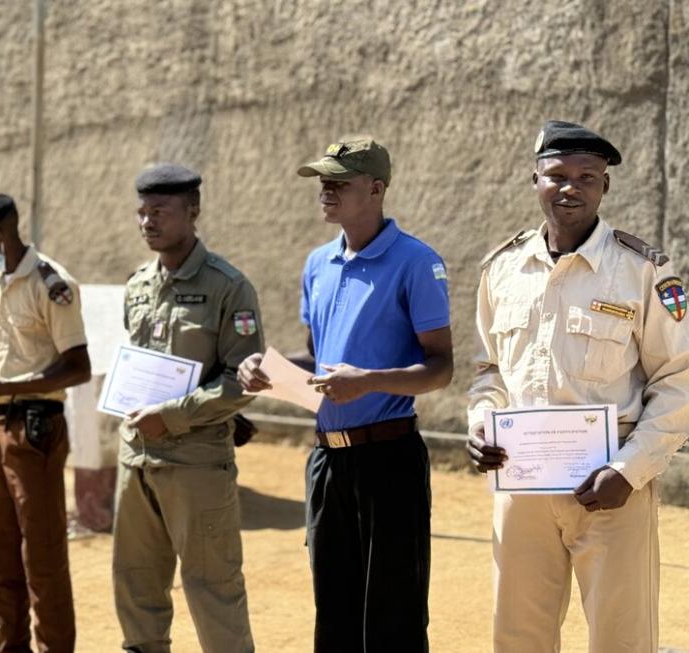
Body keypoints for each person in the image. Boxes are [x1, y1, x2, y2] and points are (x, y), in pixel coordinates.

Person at [466, 120, 689, 653]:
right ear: (535, 179)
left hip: (612, 485)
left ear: (605, 186)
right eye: (557, 174)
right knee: (518, 634)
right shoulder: (502, 269)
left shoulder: (642, 270)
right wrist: (480, 425)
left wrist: (628, 471)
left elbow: (678, 379)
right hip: (523, 487)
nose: (571, 187)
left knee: (621, 637)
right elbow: (488, 372)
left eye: (587, 176)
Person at [239, 137, 453, 652]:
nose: (325, 190)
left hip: (389, 461)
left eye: (338, 181)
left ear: (376, 189)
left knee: (393, 615)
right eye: (322, 181)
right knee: (333, 610)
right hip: (327, 463)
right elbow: (320, 358)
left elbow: (441, 368)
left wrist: (370, 381)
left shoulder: (416, 262)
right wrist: (269, 367)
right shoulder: (317, 264)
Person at [113, 164, 262, 653]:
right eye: (141, 212)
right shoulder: (137, 284)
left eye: (159, 211)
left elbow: (243, 383)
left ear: (192, 212)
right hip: (136, 461)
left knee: (213, 590)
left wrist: (171, 417)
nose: (147, 222)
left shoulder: (228, 286)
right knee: (136, 589)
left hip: (196, 465)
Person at [0, 193, 90, 653]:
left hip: (35, 431)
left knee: (43, 559)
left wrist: (6, 388)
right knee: (0, 554)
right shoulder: (0, 279)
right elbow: (12, 359)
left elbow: (78, 367)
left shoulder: (51, 283)